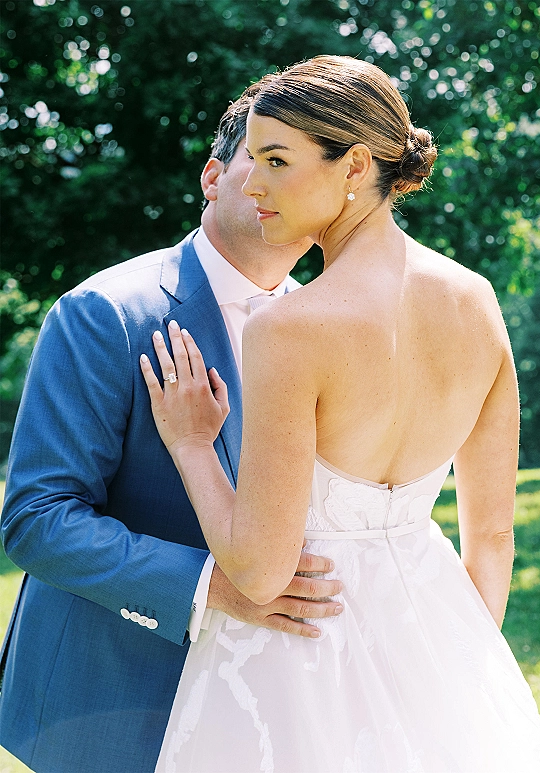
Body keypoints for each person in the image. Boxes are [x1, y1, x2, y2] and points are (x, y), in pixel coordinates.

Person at [142, 56, 540, 773]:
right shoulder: (477, 302)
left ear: (356, 165)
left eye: (277, 160)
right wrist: (453, 668)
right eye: (253, 159)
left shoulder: (290, 328)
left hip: (300, 658)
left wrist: (190, 445)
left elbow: (260, 572)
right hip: (437, 636)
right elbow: (491, 537)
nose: (253, 181)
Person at [0, 89, 344, 773]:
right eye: (263, 156)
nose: (280, 182)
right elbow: (37, 520)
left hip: (274, 707)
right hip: (113, 703)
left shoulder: (330, 329)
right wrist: (217, 585)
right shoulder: (106, 313)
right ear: (213, 178)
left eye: (302, 166)